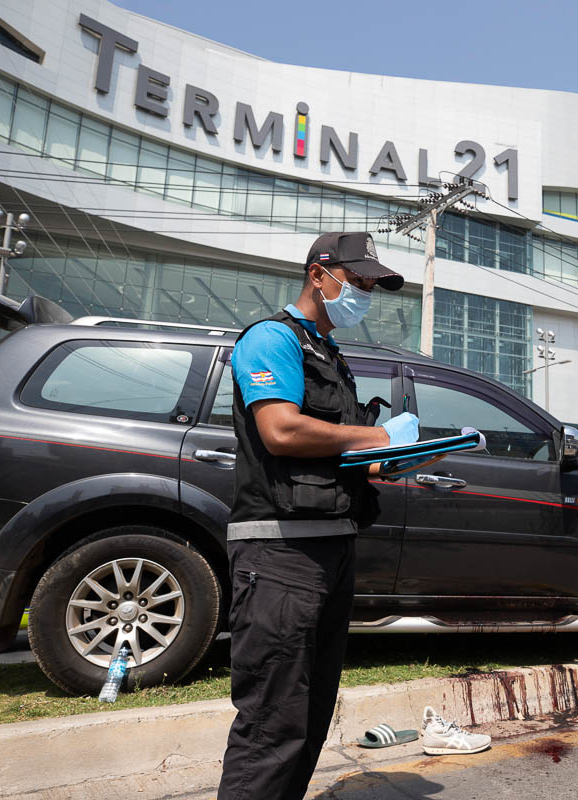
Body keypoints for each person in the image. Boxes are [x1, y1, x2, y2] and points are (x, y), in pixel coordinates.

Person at [218, 231, 419, 800]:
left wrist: (389, 459)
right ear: (318, 276)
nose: (364, 294)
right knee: (272, 721)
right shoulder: (270, 339)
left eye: (370, 286)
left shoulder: (329, 354)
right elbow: (280, 431)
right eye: (357, 282)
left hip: (332, 546)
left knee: (309, 714)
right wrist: (377, 433)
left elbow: (340, 451)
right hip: (281, 553)